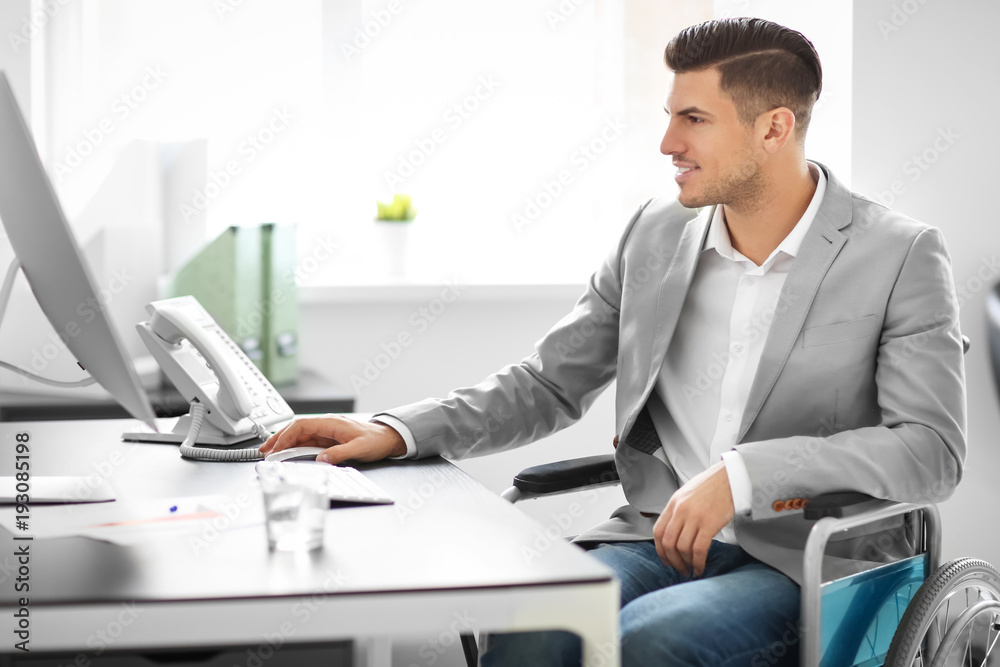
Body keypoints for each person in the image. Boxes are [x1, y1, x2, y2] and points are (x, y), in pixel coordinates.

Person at [260, 16, 966, 666]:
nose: (667, 144)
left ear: (774, 129)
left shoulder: (898, 254)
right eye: (670, 117)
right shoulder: (653, 235)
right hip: (656, 536)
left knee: (649, 642)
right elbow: (548, 383)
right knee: (537, 622)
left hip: (808, 559)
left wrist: (745, 476)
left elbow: (930, 450)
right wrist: (396, 429)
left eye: (693, 119)